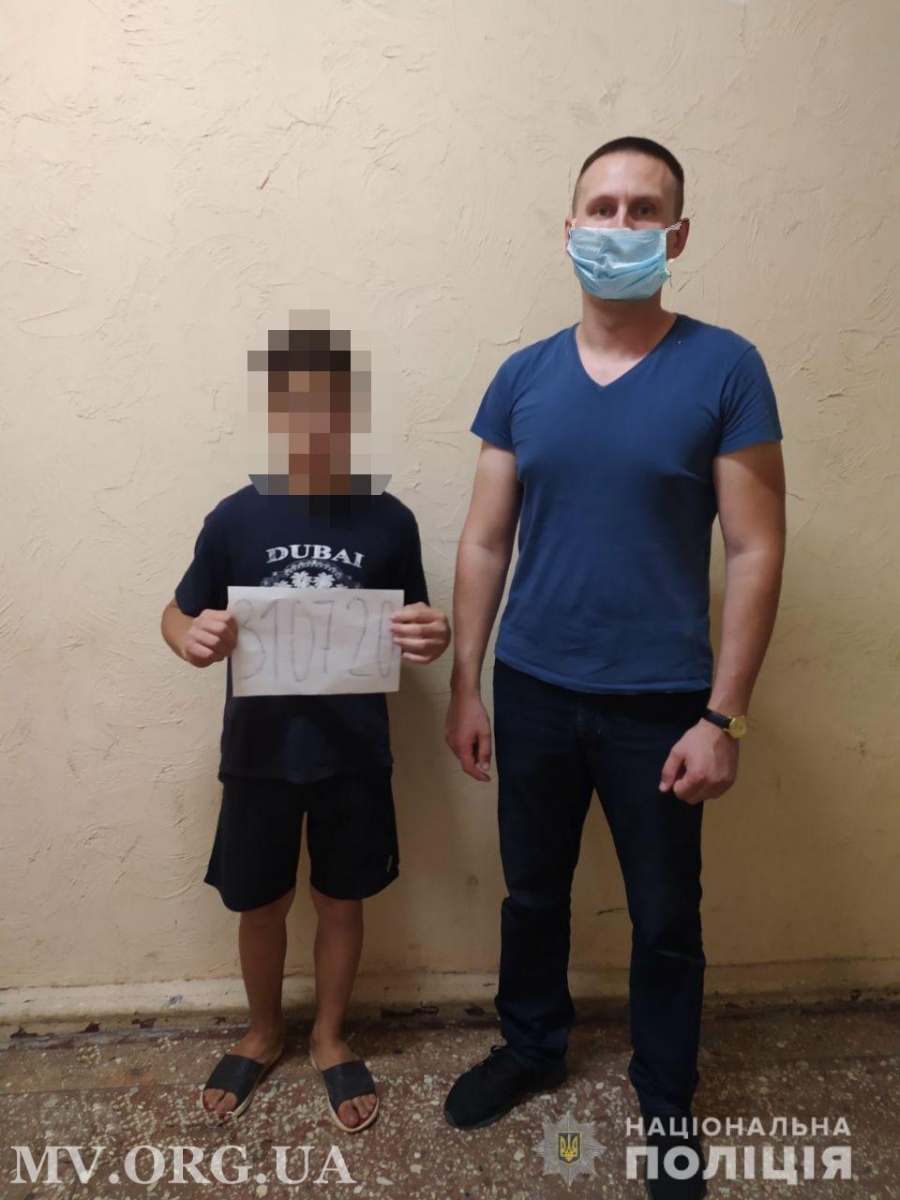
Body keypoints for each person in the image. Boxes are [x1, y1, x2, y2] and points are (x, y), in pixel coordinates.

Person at [443, 137, 785, 1198]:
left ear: (676, 237)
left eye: (644, 210)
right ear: (570, 228)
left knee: (666, 918)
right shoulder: (523, 376)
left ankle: (667, 1098)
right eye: (603, 206)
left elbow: (756, 549)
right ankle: (532, 1044)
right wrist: (465, 683)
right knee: (532, 893)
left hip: (662, 706)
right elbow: (485, 541)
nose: (620, 225)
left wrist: (722, 719)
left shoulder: (726, 367)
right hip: (534, 688)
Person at [161, 325, 450, 1132]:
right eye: (298, 406)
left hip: (354, 755)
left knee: (341, 901)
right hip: (258, 756)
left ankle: (328, 1035)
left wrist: (435, 636)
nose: (317, 423)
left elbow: (419, 623)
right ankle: (263, 1031)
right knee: (260, 904)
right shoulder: (234, 519)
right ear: (275, 415)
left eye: (334, 405)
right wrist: (188, 636)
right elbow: (176, 612)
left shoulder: (390, 520)